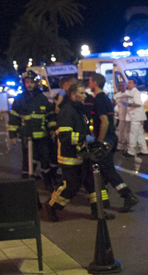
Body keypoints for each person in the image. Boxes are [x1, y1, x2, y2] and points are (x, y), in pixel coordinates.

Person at [47, 81, 113, 222]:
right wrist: (85, 138)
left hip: (83, 155)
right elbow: (64, 136)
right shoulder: (67, 111)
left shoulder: (78, 110)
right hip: (70, 157)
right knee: (70, 187)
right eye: (82, 93)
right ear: (72, 94)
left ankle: (98, 212)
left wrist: (93, 142)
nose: (85, 96)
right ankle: (51, 207)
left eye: (85, 92)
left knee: (94, 183)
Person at [87, 74, 138, 212]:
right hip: (111, 138)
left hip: (105, 140)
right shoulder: (106, 98)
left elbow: (104, 121)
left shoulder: (98, 99)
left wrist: (100, 141)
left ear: (95, 83)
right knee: (103, 171)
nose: (88, 83)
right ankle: (103, 201)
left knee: (108, 170)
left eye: (90, 81)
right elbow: (113, 121)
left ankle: (127, 196)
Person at [8, 69, 55, 181]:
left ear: (36, 83)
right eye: (27, 82)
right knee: (27, 160)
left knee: (45, 159)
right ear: (24, 83)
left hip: (42, 137)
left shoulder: (43, 99)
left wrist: (53, 129)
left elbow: (51, 116)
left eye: (31, 82)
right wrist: (12, 134)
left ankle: (47, 180)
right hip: (27, 135)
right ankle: (27, 181)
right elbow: (14, 118)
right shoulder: (19, 99)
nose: (29, 84)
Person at [119, 75, 148, 157]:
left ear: (135, 84)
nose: (128, 84)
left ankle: (131, 151)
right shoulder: (131, 92)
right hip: (137, 117)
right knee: (139, 134)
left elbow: (138, 103)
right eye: (128, 82)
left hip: (136, 117)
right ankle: (144, 150)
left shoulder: (135, 92)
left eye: (130, 83)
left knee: (133, 133)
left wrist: (128, 104)